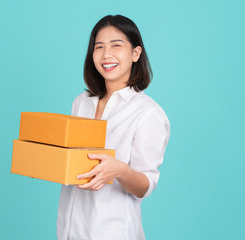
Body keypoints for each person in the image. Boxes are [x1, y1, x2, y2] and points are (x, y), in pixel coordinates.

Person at [57, 15, 170, 240]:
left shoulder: (148, 113)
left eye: (116, 45)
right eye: (99, 47)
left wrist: (119, 170)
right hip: (70, 229)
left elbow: (145, 186)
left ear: (135, 53)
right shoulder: (81, 102)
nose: (106, 55)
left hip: (112, 231)